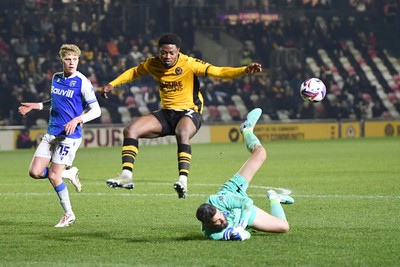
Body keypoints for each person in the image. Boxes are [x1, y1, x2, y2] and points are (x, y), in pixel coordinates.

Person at [100, 32, 263, 198]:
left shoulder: (190, 63)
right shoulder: (153, 64)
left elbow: (219, 71)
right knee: (130, 131)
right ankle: (126, 176)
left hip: (189, 112)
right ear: (159, 51)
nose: (167, 56)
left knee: (182, 132)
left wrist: (244, 70)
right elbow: (134, 72)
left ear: (178, 51)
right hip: (166, 113)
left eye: (171, 53)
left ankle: (183, 180)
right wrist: (112, 84)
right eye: (164, 52)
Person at [18, 44, 101, 227]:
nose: (71, 63)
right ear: (61, 60)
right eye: (68, 59)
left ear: (78, 60)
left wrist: (78, 119)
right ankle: (68, 173)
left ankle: (69, 214)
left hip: (69, 137)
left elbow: (96, 110)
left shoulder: (82, 82)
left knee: (54, 176)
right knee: (35, 172)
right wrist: (37, 105)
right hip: (51, 133)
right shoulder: (56, 78)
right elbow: (54, 101)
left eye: (75, 59)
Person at [196, 108, 294, 241]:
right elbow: (245, 235)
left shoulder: (218, 201)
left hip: (233, 192)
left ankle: (247, 129)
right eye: (216, 222)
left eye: (219, 216)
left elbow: (246, 202)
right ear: (207, 224)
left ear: (216, 209)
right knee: (284, 227)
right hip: (242, 214)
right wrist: (240, 233)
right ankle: (274, 199)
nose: (221, 221)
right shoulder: (213, 233)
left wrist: (241, 225)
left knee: (260, 153)